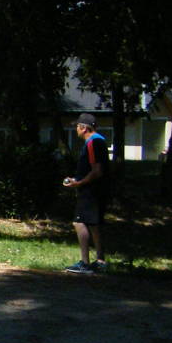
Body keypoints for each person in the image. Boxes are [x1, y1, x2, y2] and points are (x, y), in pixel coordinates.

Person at [63, 112, 109, 274]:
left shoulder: (92, 142)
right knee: (94, 224)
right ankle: (100, 261)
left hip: (90, 190)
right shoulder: (100, 141)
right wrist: (77, 178)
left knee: (79, 222)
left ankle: (85, 262)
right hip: (98, 189)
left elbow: (97, 171)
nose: (76, 129)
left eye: (77, 126)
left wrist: (78, 183)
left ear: (84, 128)